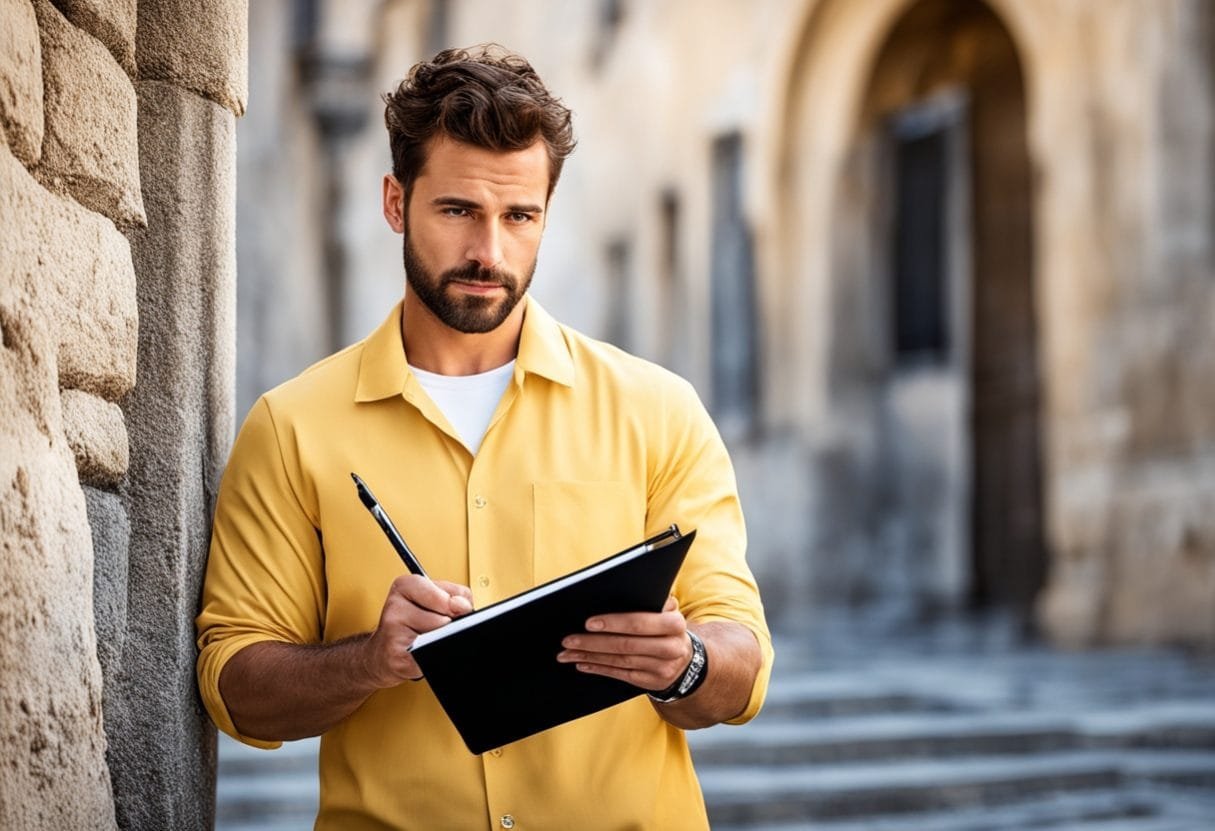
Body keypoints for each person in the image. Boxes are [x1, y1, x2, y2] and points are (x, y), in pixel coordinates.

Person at [196, 44, 773, 830]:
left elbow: (742, 661)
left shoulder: (658, 411)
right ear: (396, 203)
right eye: (458, 210)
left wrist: (685, 663)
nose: (489, 253)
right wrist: (369, 659)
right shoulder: (293, 427)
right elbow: (235, 684)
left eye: (519, 216)